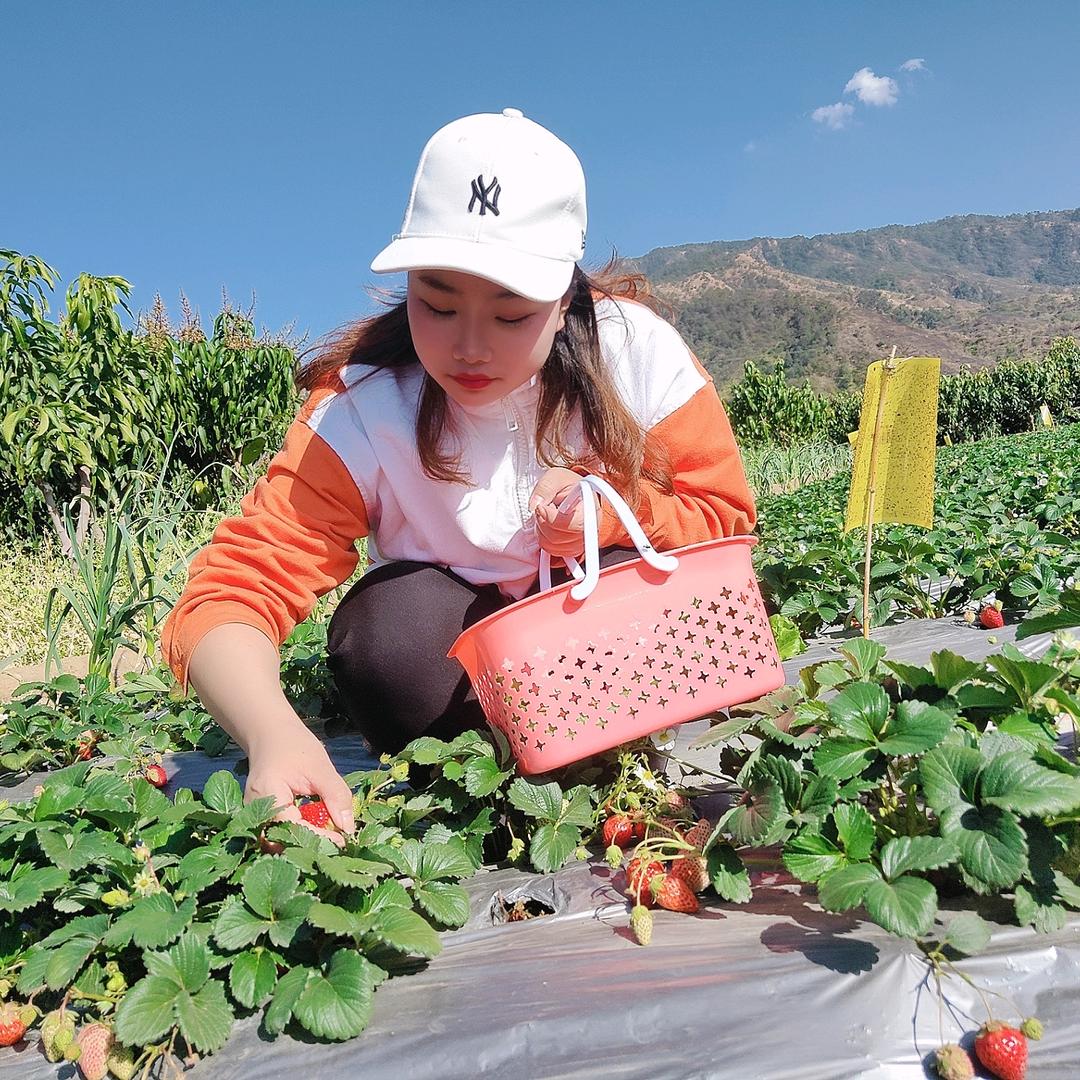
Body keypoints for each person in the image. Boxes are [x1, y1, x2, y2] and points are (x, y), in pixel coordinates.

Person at [160, 107, 756, 841]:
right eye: (437, 305)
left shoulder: (638, 355)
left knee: (637, 577)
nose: (470, 347)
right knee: (389, 634)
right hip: (460, 676)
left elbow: (726, 520)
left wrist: (608, 513)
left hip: (608, 648)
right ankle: (517, 772)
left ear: (565, 299)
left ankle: (610, 751)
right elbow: (232, 590)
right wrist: (272, 734)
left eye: (511, 316)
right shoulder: (362, 407)